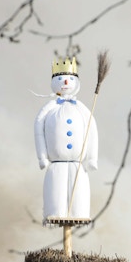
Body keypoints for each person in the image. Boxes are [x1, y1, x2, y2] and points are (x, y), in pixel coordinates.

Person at [34, 57, 98, 221]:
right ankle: (55, 213)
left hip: (78, 165)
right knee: (55, 191)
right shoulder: (50, 108)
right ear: (54, 81)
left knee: (79, 194)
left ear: (75, 81)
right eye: (60, 79)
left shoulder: (82, 109)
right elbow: (38, 129)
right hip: (56, 164)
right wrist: (42, 157)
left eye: (69, 79)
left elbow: (92, 131)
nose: (65, 82)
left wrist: (91, 158)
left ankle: (79, 213)